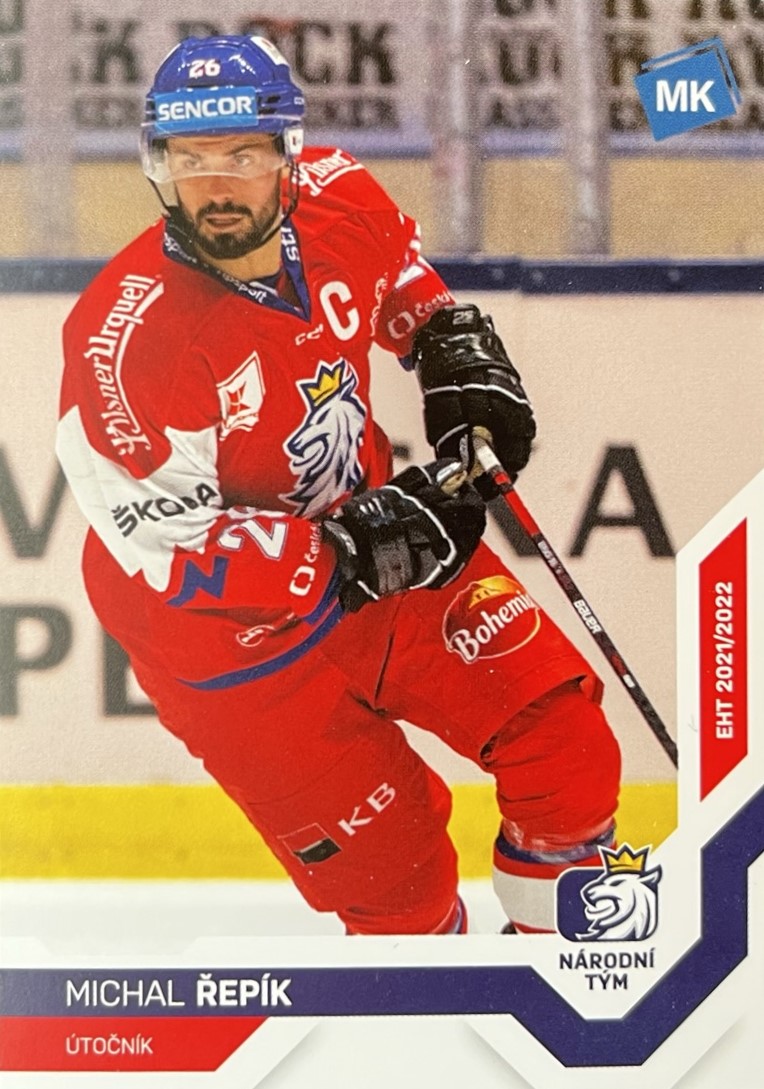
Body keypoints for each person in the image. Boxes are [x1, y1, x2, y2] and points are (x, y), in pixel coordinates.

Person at [56, 35, 621, 935]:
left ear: (288, 152)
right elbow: (176, 549)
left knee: (567, 748)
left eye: (243, 155)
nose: (216, 185)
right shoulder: (124, 343)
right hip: (225, 639)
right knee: (403, 897)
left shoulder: (339, 193)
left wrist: (446, 344)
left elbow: (396, 274)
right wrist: (359, 548)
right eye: (191, 159)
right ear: (158, 163)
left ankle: (562, 991)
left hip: (368, 542)